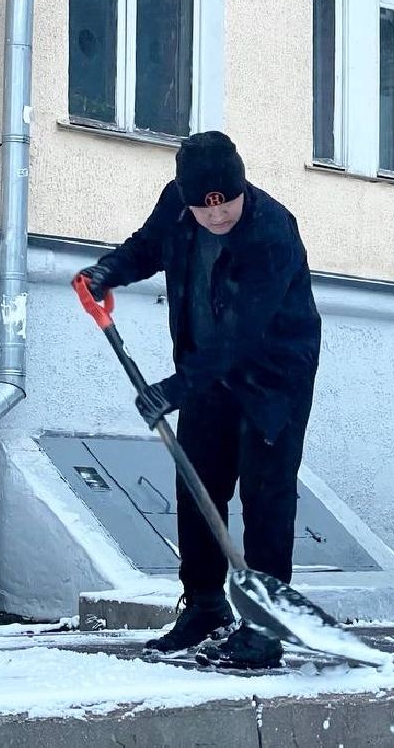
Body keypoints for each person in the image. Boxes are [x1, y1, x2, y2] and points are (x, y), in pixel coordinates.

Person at [74, 131, 321, 669]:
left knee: (266, 497)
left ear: (242, 187)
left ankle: (265, 629)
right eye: (204, 208)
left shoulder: (273, 231)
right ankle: (206, 605)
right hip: (206, 374)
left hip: (271, 380)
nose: (217, 216)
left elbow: (241, 334)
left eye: (227, 203)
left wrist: (174, 389)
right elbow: (149, 246)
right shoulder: (177, 206)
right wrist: (107, 272)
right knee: (198, 487)